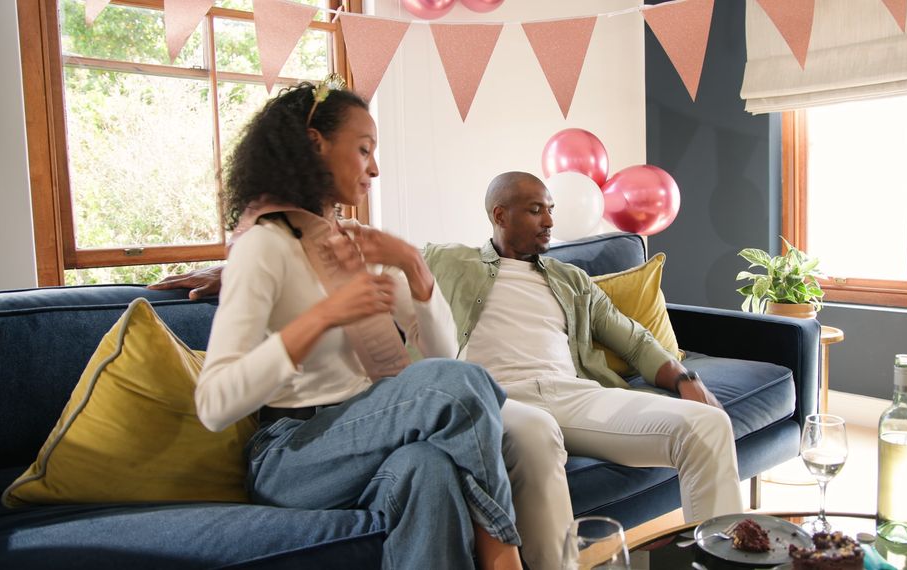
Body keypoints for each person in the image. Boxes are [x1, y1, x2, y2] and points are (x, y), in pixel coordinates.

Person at [153, 171, 742, 570]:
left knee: (707, 427)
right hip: (491, 399)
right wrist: (234, 270)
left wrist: (684, 380)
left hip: (573, 391)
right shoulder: (446, 259)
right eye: (535, 209)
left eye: (552, 210)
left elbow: (633, 339)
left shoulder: (573, 280)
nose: (548, 221)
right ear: (499, 213)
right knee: (532, 435)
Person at [192, 77, 522, 570]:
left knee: (427, 468)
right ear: (314, 145)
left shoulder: (360, 246)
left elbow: (441, 359)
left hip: (370, 435)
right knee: (460, 388)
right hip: (290, 455)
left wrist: (412, 264)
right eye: (364, 149)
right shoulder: (265, 246)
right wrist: (323, 317)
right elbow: (214, 405)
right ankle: (506, 560)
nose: (375, 168)